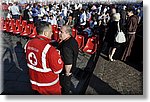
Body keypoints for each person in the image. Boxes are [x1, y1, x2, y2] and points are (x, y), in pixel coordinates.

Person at [24, 22, 64, 95]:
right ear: (45, 33)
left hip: (34, 83)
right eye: (50, 31)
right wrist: (58, 56)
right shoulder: (50, 50)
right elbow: (58, 69)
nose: (52, 33)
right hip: (49, 87)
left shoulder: (28, 43)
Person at [58, 25, 79, 94]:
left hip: (66, 70)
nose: (59, 33)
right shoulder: (72, 40)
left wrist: (67, 73)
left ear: (67, 33)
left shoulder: (66, 46)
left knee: (65, 85)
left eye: (61, 32)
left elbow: (68, 62)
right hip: (72, 66)